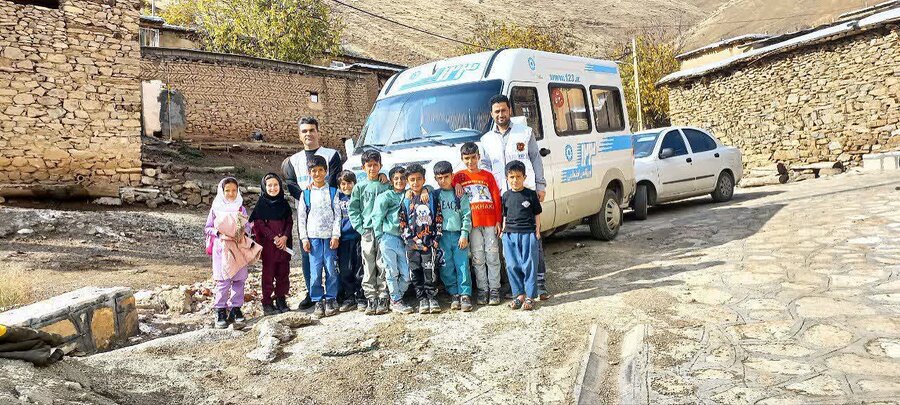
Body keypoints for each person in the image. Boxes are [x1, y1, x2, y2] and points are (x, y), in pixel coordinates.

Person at [478, 94, 551, 301]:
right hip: (502, 196)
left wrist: (540, 185)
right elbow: (485, 167)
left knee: (533, 239)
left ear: (510, 110)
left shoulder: (525, 132)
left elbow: (536, 159)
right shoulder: (486, 140)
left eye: (503, 110)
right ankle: (517, 288)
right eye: (496, 111)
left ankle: (540, 283)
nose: (500, 114)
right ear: (491, 114)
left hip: (525, 192)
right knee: (510, 243)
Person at [281, 116, 342, 309]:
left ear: (318, 132)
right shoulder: (293, 161)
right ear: (300, 135)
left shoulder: (332, 155)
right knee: (309, 255)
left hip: (329, 211)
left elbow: (334, 180)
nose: (308, 134)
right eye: (304, 131)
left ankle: (333, 293)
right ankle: (312, 293)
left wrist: (318, 192)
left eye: (311, 130)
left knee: (332, 256)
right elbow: (291, 185)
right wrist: (308, 197)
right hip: (307, 214)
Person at [453, 142, 503, 306]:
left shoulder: (487, 176)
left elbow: (496, 197)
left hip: (489, 222)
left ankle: (495, 289)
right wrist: (457, 184)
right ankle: (483, 289)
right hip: (473, 225)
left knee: (492, 255)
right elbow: (448, 182)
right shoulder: (459, 176)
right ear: (461, 159)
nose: (470, 162)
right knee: (478, 257)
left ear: (478, 157)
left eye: (473, 158)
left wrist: (497, 220)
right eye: (466, 159)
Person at [204, 177, 257, 328]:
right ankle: (220, 309)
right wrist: (219, 234)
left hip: (238, 247)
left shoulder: (240, 208)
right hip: (221, 249)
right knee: (223, 281)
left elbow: (247, 227)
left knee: (239, 280)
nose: (231, 194)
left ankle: (236, 308)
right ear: (222, 191)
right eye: (227, 190)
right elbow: (208, 227)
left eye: (234, 190)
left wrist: (243, 231)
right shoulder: (216, 208)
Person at [297, 155, 342, 318]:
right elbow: (301, 218)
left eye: (320, 170)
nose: (317, 174)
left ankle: (331, 298)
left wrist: (336, 235)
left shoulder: (332, 192)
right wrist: (304, 238)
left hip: (330, 238)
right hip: (313, 238)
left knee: (331, 269)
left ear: (326, 171)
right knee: (315, 272)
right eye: (314, 171)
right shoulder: (306, 194)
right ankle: (317, 300)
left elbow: (338, 215)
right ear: (309, 173)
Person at [348, 150, 392, 315]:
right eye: (369, 165)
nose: (372, 168)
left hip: (383, 230)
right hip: (366, 230)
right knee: (368, 263)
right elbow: (353, 209)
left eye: (375, 165)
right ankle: (370, 296)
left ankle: (383, 295)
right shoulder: (359, 187)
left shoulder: (385, 185)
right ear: (363, 167)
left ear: (380, 166)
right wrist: (360, 227)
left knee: (382, 262)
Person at [399, 163, 443, 314]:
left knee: (429, 270)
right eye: (412, 179)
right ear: (408, 181)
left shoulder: (430, 196)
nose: (416, 182)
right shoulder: (405, 199)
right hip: (412, 244)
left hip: (429, 242)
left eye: (419, 179)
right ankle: (422, 298)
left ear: (424, 180)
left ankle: (432, 297)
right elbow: (402, 221)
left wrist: (436, 237)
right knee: (415, 271)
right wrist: (410, 241)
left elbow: (438, 217)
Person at [373, 166, 415, 314]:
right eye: (396, 178)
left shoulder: (409, 194)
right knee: (391, 271)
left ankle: (396, 298)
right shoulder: (385, 196)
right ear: (391, 181)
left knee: (407, 273)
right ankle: (396, 300)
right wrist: (380, 237)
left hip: (405, 239)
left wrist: (424, 190)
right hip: (388, 237)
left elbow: (426, 187)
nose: (400, 181)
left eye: (403, 178)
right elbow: (377, 217)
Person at [500, 161, 542, 311]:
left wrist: (537, 230)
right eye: (511, 177)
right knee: (511, 265)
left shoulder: (530, 195)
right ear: (507, 178)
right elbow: (504, 215)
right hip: (510, 234)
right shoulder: (505, 196)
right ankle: (519, 294)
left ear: (524, 177)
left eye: (518, 176)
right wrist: (503, 231)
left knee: (529, 264)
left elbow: (537, 213)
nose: (515, 180)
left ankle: (530, 296)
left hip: (528, 233)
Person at [250, 173, 293, 316]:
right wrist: (274, 237)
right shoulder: (261, 204)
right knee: (268, 274)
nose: (273, 188)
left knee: (283, 273)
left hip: (284, 245)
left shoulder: (284, 203)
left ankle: (281, 298)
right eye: (269, 185)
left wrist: (285, 236)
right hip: (269, 246)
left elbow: (289, 222)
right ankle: (267, 302)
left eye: (276, 185)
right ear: (264, 187)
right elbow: (259, 224)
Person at [433, 160, 474, 312]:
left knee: (462, 264)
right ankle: (453, 293)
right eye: (439, 178)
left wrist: (464, 234)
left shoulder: (459, 194)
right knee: (446, 266)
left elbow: (466, 215)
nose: (443, 180)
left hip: (458, 235)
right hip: (441, 236)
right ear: (435, 179)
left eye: (446, 177)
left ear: (452, 176)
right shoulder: (434, 194)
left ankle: (465, 294)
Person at [336, 170, 365, 312]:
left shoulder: (359, 196)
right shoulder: (337, 197)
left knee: (360, 267)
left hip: (358, 237)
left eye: (349, 183)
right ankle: (349, 296)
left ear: (354, 183)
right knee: (345, 269)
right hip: (343, 239)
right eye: (343, 184)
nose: (346, 186)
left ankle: (361, 296)